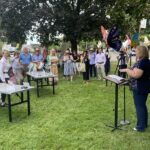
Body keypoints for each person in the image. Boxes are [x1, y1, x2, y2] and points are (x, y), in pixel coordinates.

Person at [120, 46, 150, 132]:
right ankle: (144, 124)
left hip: (140, 87)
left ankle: (140, 127)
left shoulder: (143, 62)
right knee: (142, 106)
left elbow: (136, 75)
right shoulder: (144, 61)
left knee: (139, 107)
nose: (135, 53)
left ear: (141, 52)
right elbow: (135, 70)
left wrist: (126, 70)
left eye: (136, 51)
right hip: (143, 87)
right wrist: (130, 69)